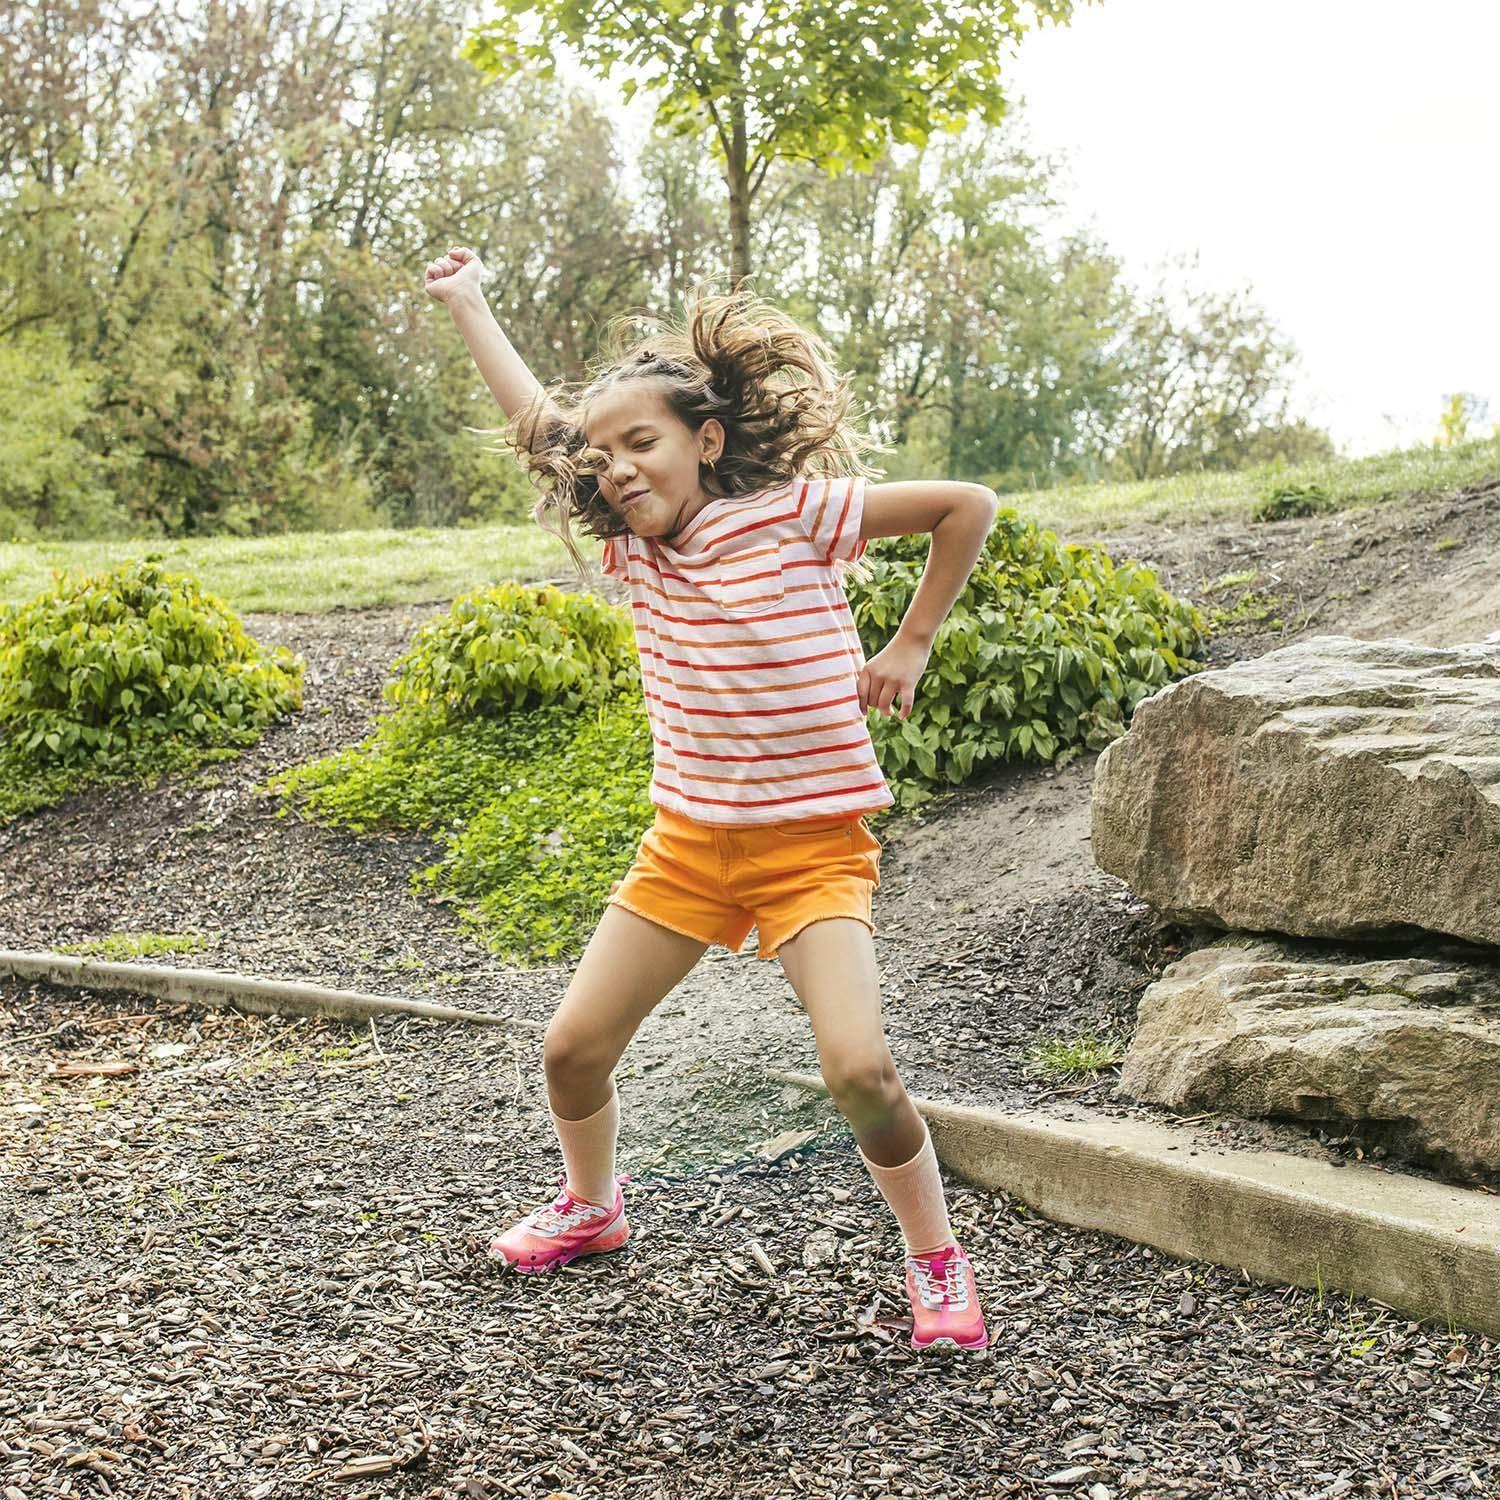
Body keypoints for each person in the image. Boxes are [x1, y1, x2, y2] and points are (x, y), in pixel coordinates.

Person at [423, 246, 999, 1352]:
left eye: (641, 443)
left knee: (860, 1072)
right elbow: (539, 425)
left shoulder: (794, 514)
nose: (618, 469)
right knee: (571, 1052)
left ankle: (935, 1258)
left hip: (810, 852)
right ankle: (592, 1205)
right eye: (604, 458)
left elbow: (964, 506)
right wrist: (470, 302)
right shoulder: (635, 552)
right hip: (687, 850)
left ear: (707, 441)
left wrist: (911, 641)